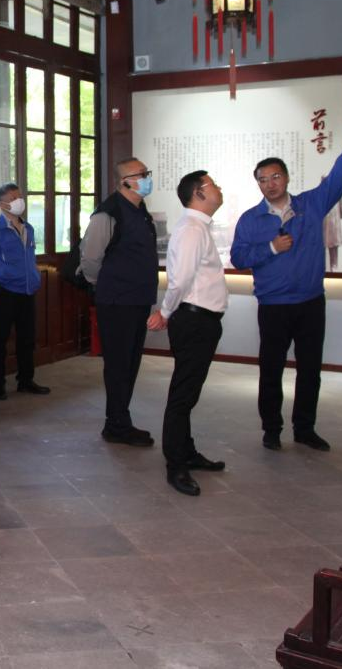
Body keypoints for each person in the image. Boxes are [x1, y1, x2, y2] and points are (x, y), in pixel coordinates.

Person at [231, 109, 342, 452]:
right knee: (271, 370)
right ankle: (271, 429)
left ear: (286, 177)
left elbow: (338, 179)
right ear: (258, 184)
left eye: (275, 176)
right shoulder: (250, 220)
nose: (270, 183)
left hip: (310, 302)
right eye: (263, 179)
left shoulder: (311, 205)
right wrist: (270, 248)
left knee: (310, 370)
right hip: (273, 306)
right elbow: (238, 258)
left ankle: (305, 428)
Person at [147, 171, 230, 497]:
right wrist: (165, 312)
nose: (219, 188)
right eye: (213, 184)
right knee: (183, 395)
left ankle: (187, 451)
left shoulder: (198, 227)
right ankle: (176, 465)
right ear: (198, 193)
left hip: (202, 321)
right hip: (193, 321)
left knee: (189, 392)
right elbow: (179, 280)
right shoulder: (192, 230)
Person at [79, 156, 160, 447]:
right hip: (116, 301)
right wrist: (105, 284)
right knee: (118, 364)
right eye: (141, 174)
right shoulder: (108, 212)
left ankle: (120, 419)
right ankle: (116, 424)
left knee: (130, 363)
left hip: (138, 299)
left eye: (146, 172)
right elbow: (90, 259)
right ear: (125, 182)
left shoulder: (140, 210)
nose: (147, 178)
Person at [0, 182, 50, 400]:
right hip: (5, 291)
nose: (19, 201)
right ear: (2, 204)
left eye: (19, 196)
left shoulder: (28, 228)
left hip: (27, 290)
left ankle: (26, 380)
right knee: (0, 339)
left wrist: (34, 276)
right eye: (13, 198)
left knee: (27, 339)